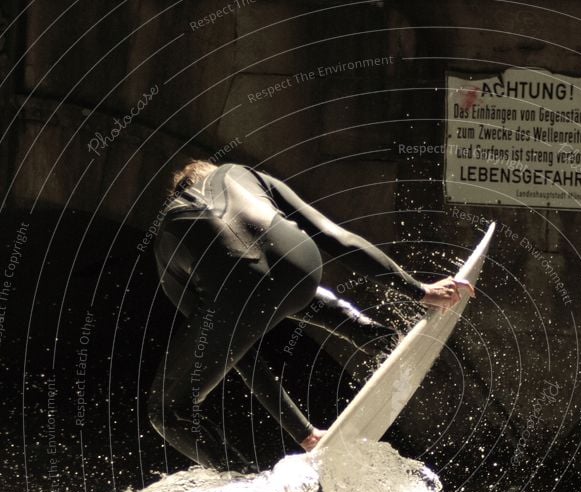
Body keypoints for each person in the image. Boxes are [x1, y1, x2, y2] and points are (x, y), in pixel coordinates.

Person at [147, 159, 467, 471]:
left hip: (238, 294)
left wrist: (303, 433)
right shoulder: (240, 173)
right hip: (300, 265)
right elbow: (334, 237)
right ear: (209, 173)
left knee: (166, 410)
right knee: (283, 288)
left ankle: (240, 480)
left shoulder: (166, 239)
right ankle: (375, 336)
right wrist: (420, 290)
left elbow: (241, 357)